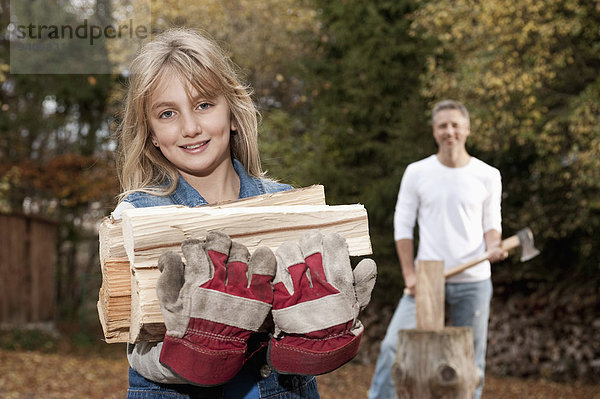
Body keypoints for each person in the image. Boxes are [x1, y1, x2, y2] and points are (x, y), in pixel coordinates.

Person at [111, 28, 375, 399]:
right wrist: (194, 350)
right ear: (152, 133)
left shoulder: (288, 207)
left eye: (204, 105)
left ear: (233, 113)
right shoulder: (136, 215)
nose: (191, 128)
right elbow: (138, 348)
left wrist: (319, 333)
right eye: (168, 113)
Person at [368, 100, 507, 399]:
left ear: (467, 129)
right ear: (434, 131)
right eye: (443, 125)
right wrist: (409, 273)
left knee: (470, 363)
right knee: (394, 347)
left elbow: (491, 224)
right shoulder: (417, 172)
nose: (450, 131)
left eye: (455, 124)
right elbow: (402, 226)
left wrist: (493, 245)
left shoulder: (488, 175)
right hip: (428, 281)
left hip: (474, 282)